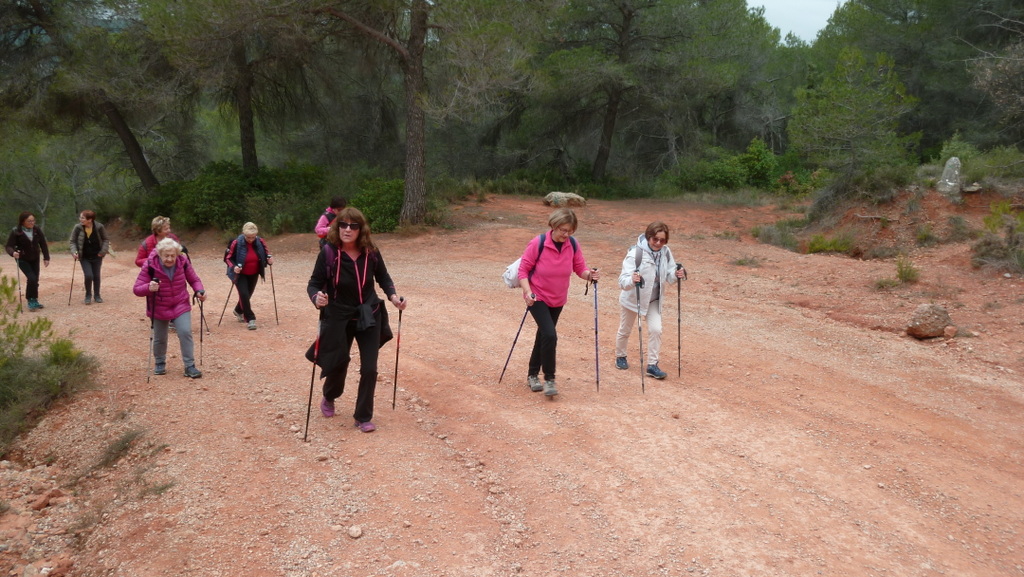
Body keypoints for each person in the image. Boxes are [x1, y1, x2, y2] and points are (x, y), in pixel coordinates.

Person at [306, 207, 406, 433]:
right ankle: (330, 396)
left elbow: (383, 277)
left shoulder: (370, 251)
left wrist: (393, 297)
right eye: (343, 225)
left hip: (368, 314)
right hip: (338, 315)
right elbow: (314, 283)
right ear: (336, 227)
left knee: (370, 368)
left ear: (361, 229)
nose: (347, 229)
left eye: (353, 226)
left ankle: (363, 416)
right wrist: (317, 297)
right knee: (339, 364)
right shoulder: (329, 253)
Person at [516, 207, 599, 397]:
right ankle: (550, 379)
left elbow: (580, 269)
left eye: (569, 230)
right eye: (563, 229)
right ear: (553, 226)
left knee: (544, 335)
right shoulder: (538, 243)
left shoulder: (573, 245)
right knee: (550, 335)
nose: (566, 234)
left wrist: (590, 276)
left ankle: (532, 375)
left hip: (558, 298)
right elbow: (523, 271)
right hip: (537, 296)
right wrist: (528, 292)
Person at [615, 221, 686, 379]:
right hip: (634, 298)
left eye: (663, 240)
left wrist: (677, 274)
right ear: (648, 237)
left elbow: (669, 274)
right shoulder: (635, 254)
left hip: (654, 299)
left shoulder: (666, 253)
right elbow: (622, 281)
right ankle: (621, 356)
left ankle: (652, 365)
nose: (659, 243)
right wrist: (632, 280)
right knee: (625, 330)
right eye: (655, 239)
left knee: (656, 330)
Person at [133, 238, 206, 378]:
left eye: (173, 255)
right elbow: (136, 289)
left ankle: (189, 366)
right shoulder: (150, 265)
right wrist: (149, 287)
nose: (170, 259)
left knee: (185, 332)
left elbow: (194, 279)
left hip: (180, 303)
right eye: (166, 255)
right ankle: (160, 363)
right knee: (160, 337)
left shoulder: (183, 262)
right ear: (160, 254)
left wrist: (199, 291)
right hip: (159, 305)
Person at [224, 222, 274, 330]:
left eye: (253, 237)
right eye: (248, 237)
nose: (251, 239)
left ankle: (238, 310)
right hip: (239, 274)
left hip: (254, 273)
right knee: (244, 294)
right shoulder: (236, 243)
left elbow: (265, 255)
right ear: (243, 234)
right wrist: (234, 267)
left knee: (247, 295)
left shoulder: (260, 241)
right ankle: (250, 319)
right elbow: (228, 258)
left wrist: (269, 260)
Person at [5, 211, 51, 311]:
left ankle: (34, 299)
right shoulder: (16, 231)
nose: (32, 223)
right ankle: (30, 300)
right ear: (22, 221)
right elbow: (9, 246)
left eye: (33, 220)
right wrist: (13, 253)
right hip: (22, 259)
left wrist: (46, 257)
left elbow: (43, 243)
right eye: (29, 221)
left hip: (35, 258)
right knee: (32, 278)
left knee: (35, 279)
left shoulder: (36, 229)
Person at [69, 210, 111, 304]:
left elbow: (105, 239)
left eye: (83, 218)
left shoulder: (99, 227)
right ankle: (88, 295)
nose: (80, 219)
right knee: (88, 275)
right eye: (80, 217)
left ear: (90, 220)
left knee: (96, 276)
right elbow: (72, 241)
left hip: (97, 255)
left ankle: (97, 295)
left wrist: (102, 252)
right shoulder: (78, 227)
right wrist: (74, 252)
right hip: (84, 256)